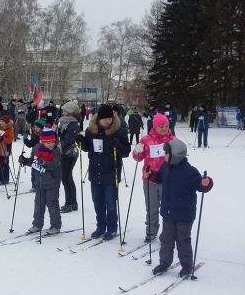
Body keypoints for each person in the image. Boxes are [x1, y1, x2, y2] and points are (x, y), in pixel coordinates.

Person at [148, 139, 214, 277]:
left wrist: (206, 183)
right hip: (168, 212)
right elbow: (159, 178)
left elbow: (201, 186)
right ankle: (164, 263)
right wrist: (151, 175)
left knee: (183, 240)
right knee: (166, 239)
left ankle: (187, 266)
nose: (164, 155)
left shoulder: (189, 171)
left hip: (184, 214)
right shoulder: (164, 167)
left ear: (176, 155)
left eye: (167, 153)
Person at [76, 105, 131, 240]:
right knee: (98, 202)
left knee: (111, 203)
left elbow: (126, 152)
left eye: (110, 118)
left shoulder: (119, 132)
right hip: (95, 172)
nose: (107, 121)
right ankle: (100, 226)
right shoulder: (91, 131)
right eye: (105, 118)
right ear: (99, 119)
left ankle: (112, 227)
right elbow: (89, 148)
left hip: (111, 173)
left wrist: (118, 145)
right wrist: (81, 142)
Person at [133, 113, 176, 242]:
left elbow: (179, 159)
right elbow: (138, 158)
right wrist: (137, 151)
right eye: (161, 126)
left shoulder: (173, 140)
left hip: (167, 180)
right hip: (149, 179)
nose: (164, 128)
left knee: (168, 209)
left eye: (166, 126)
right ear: (155, 126)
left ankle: (168, 233)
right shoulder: (146, 139)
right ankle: (151, 231)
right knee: (151, 207)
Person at [19, 127, 62, 235]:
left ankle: (55, 225)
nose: (51, 144)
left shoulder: (56, 150)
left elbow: (54, 164)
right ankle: (37, 224)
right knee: (38, 204)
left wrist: (45, 163)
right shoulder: (37, 149)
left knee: (52, 204)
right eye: (48, 142)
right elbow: (33, 162)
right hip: (40, 181)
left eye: (52, 141)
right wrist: (24, 161)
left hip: (52, 181)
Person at [57, 101, 80, 213]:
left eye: (65, 110)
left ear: (70, 112)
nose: (63, 112)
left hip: (69, 153)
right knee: (68, 177)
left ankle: (69, 203)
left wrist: (56, 147)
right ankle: (73, 202)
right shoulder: (65, 122)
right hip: (65, 152)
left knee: (65, 178)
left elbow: (66, 140)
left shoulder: (73, 124)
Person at [24, 118, 45, 192]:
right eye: (34, 127)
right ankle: (34, 185)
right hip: (34, 154)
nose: (35, 129)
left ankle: (42, 184)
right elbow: (30, 144)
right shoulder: (34, 135)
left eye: (37, 127)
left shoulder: (45, 135)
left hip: (43, 155)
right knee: (34, 170)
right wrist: (26, 140)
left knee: (40, 171)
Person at [0, 115, 14, 184]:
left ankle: (5, 178)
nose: (1, 122)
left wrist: (2, 138)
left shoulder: (10, 129)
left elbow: (9, 140)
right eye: (0, 121)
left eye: (2, 121)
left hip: (6, 149)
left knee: (5, 164)